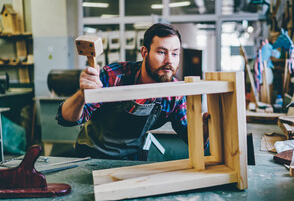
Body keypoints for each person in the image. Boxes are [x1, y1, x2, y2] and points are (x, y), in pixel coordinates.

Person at [56, 23, 208, 160]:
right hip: (91, 157)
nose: (169, 61)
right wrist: (82, 94)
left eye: (175, 53)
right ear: (144, 52)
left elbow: (194, 140)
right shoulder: (113, 76)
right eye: (161, 52)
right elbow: (66, 119)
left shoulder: (174, 94)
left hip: (131, 159)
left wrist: (206, 128)